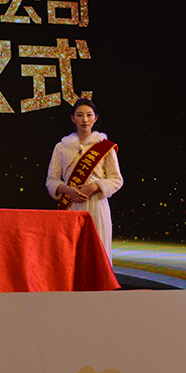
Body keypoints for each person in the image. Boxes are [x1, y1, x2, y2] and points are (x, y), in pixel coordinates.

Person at [46, 98, 123, 264]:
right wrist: (67, 189)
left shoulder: (104, 146)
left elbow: (116, 180)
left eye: (89, 115)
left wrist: (94, 186)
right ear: (72, 118)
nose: (85, 120)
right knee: (70, 256)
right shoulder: (62, 147)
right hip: (71, 205)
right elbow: (51, 180)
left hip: (96, 205)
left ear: (95, 118)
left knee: (97, 255)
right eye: (80, 115)